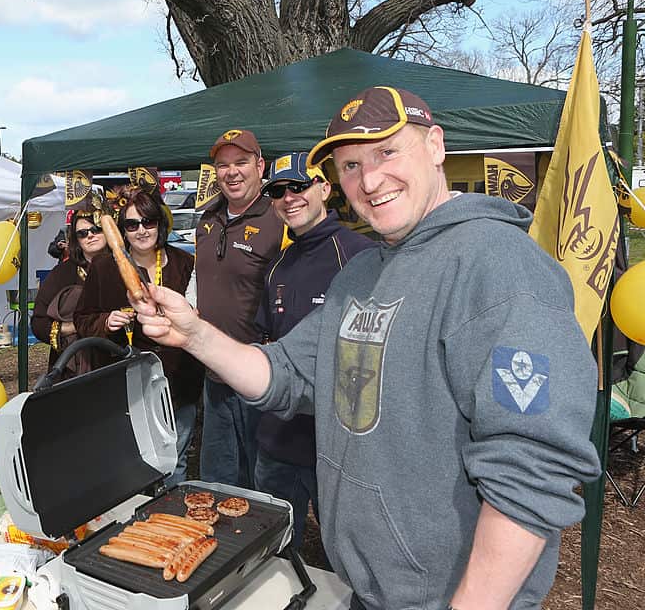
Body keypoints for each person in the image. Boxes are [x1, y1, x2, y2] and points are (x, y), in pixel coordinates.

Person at [134, 86, 601, 609]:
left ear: (436, 146)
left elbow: (532, 469)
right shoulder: (362, 274)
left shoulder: (500, 266)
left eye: (387, 152)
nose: (370, 180)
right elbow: (286, 372)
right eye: (351, 165)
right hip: (372, 591)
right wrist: (194, 334)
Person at [253, 151, 375, 549]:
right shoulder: (277, 266)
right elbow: (269, 343)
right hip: (278, 441)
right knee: (270, 551)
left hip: (338, 446)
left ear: (324, 187)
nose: (289, 198)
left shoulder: (361, 256)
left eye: (299, 186)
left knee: (350, 556)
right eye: (278, 191)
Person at [75, 191, 203, 487]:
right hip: (126, 383)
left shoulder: (185, 262)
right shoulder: (105, 267)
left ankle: (169, 511)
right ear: (123, 230)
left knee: (175, 459)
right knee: (131, 460)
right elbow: (82, 318)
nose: (141, 230)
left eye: (148, 222)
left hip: (178, 380)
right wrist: (106, 321)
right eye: (132, 225)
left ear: (160, 224)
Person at [193, 128, 286, 489]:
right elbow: (201, 279)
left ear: (260, 166)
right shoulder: (207, 219)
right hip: (214, 371)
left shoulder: (278, 217)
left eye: (241, 162)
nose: (231, 172)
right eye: (223, 165)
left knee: (262, 477)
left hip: (258, 371)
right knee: (218, 477)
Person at [31, 211, 107, 378]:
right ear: (76, 239)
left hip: (116, 358)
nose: (90, 236)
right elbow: (38, 322)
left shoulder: (124, 266)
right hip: (73, 366)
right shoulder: (62, 273)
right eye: (82, 233)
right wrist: (73, 327)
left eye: (96, 229)